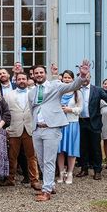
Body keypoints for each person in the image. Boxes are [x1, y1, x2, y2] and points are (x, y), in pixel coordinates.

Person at [29, 60, 90, 202]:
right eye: (36, 73)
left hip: (51, 128)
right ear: (33, 75)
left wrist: (82, 75)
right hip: (37, 129)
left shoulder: (55, 85)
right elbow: (32, 109)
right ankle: (50, 185)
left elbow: (73, 86)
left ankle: (46, 191)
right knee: (42, 161)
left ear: (45, 74)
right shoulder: (31, 92)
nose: (38, 75)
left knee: (49, 160)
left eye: (41, 72)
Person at [75, 75, 107, 180]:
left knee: (96, 148)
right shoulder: (76, 89)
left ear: (90, 78)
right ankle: (84, 169)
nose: (85, 79)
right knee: (83, 147)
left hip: (94, 122)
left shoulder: (97, 90)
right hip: (81, 122)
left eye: (87, 77)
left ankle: (97, 170)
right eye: (83, 77)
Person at [4, 72, 40, 190]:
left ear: (27, 79)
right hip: (14, 128)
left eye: (23, 78)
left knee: (31, 156)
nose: (21, 81)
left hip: (30, 129)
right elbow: (5, 113)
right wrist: (7, 128)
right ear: (16, 81)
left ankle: (34, 180)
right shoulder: (9, 95)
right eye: (19, 79)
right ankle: (10, 179)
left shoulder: (33, 93)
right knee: (12, 156)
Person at [56, 70, 82, 185]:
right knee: (60, 151)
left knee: (71, 150)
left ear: (73, 80)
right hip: (60, 124)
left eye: (69, 78)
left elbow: (81, 109)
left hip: (72, 124)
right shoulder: (59, 92)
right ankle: (61, 172)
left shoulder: (78, 93)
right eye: (65, 78)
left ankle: (70, 173)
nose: (66, 80)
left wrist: (69, 110)